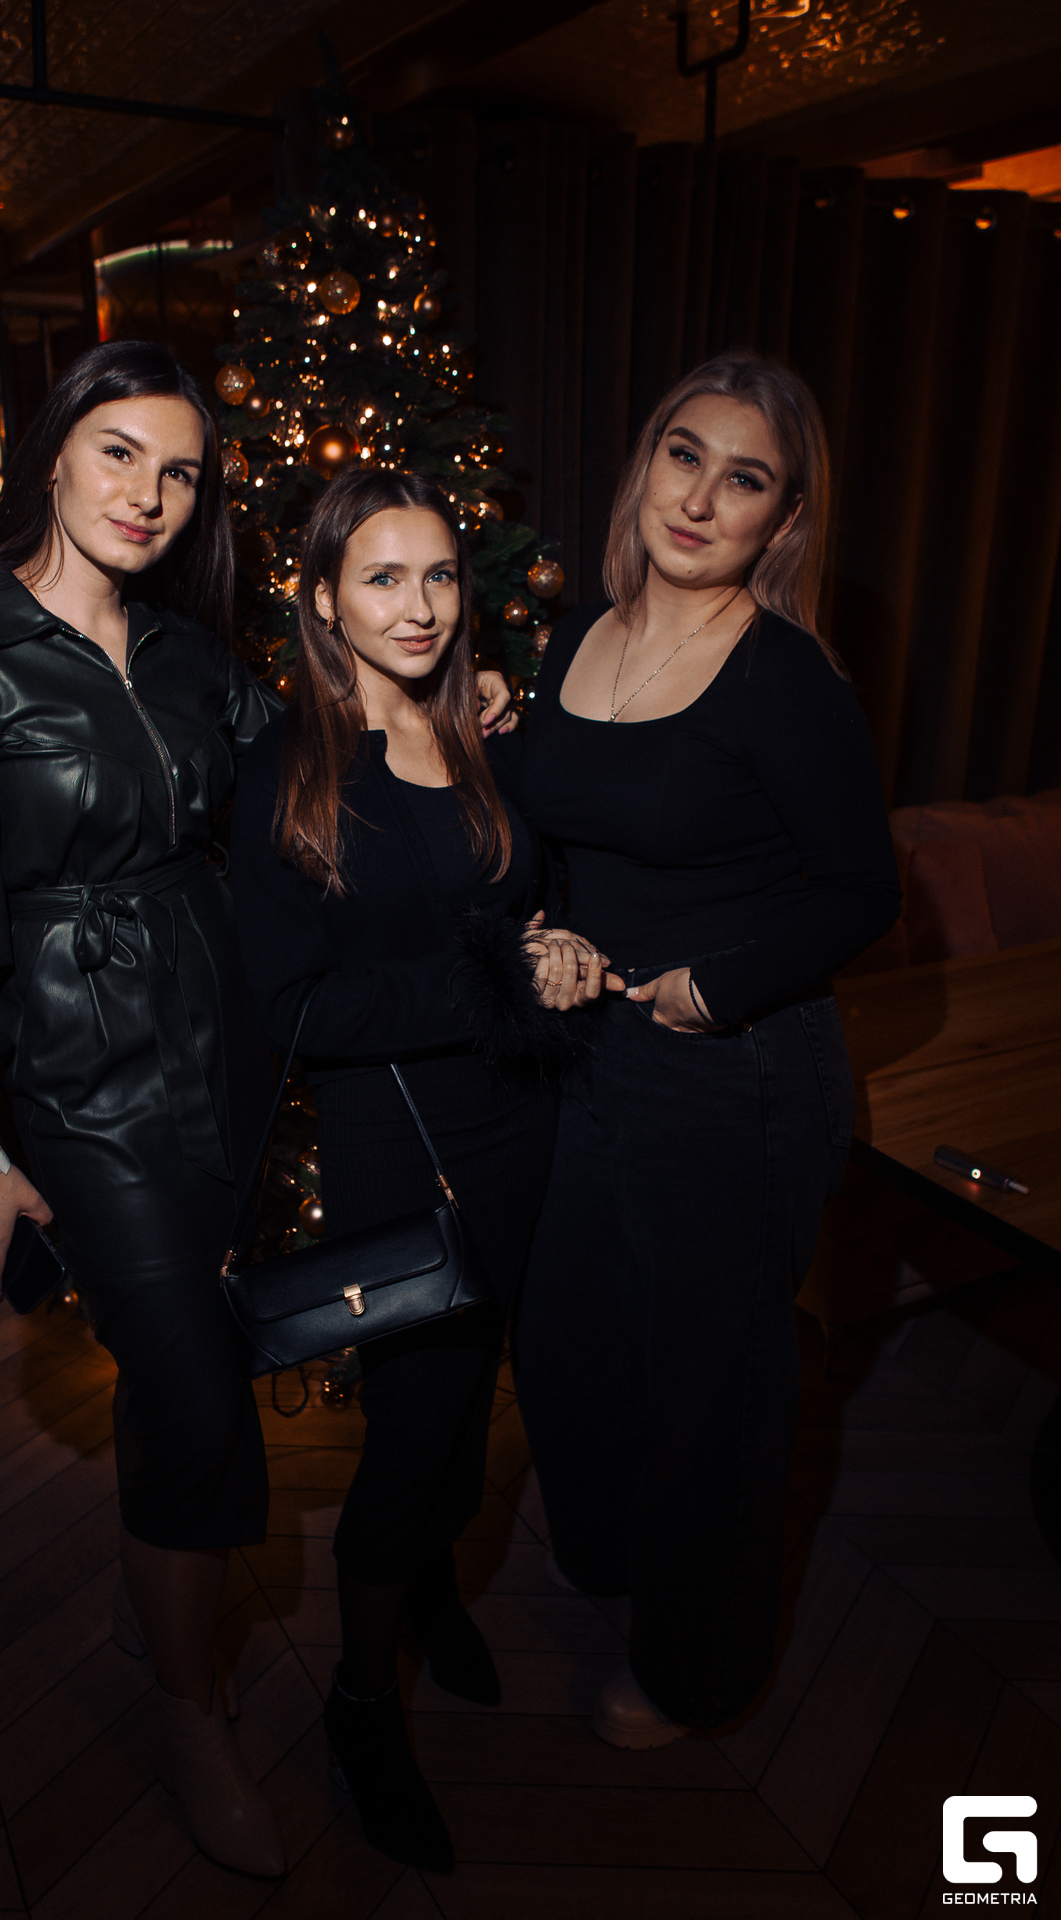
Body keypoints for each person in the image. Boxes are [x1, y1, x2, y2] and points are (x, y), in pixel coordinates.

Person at [0, 343, 518, 1879]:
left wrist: (444, 690)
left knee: (183, 1372)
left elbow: (305, 747)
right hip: (73, 1077)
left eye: (180, 474)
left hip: (222, 1052)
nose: (148, 496)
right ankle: (190, 1713)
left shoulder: (182, 651)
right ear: (55, 454)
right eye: (119, 455)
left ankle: (152, 1586)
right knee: (206, 1398)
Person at [514, 350, 901, 1749]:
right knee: (564, 1341)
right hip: (583, 1062)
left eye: (744, 480)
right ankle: (614, 1559)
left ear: (780, 520)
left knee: (710, 1395)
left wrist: (718, 987)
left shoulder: (784, 680)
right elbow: (560, 832)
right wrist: (541, 921)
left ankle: (698, 1669)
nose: (699, 498)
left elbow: (862, 890)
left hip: (730, 1077)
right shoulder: (578, 636)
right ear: (645, 465)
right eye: (684, 456)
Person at [230, 468, 610, 1874]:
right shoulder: (291, 770)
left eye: (440, 575)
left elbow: (524, 897)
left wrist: (553, 941)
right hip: (402, 1145)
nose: (420, 605)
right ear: (325, 599)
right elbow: (296, 1008)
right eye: (383, 578)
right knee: (413, 1432)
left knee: (475, 1398)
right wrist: (490, 977)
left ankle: (437, 1588)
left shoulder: (482, 734)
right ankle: (357, 1704)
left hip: (527, 1124)